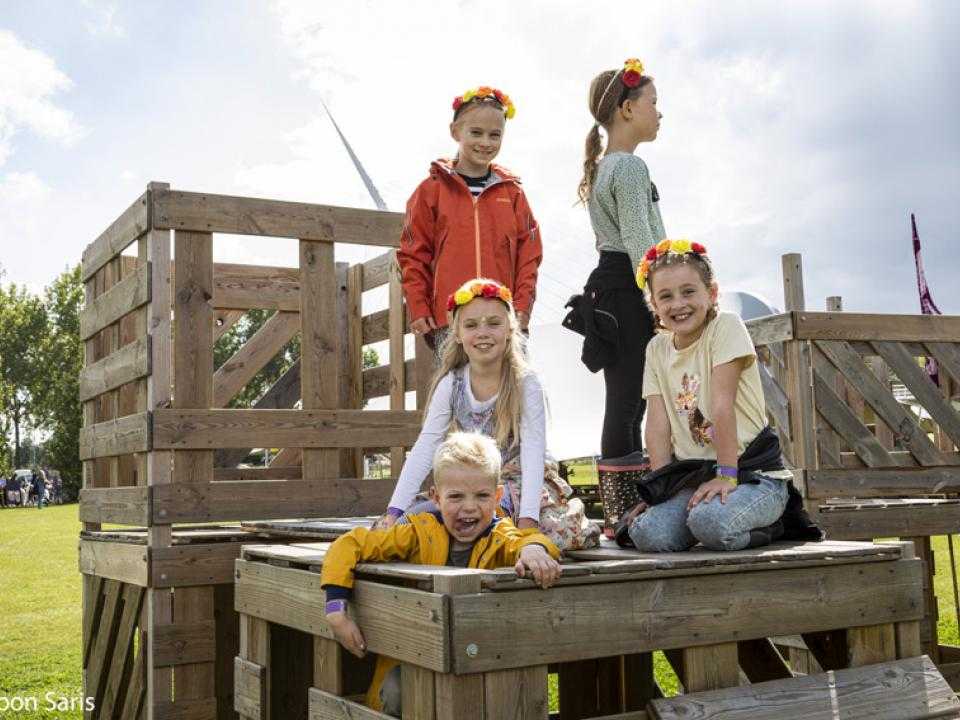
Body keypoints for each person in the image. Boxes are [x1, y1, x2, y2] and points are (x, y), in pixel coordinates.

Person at [322, 431, 561, 716]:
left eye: (482, 496)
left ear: (497, 496)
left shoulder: (500, 533)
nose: (469, 507)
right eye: (456, 496)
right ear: (436, 497)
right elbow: (350, 544)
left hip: (477, 658)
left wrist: (533, 548)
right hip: (413, 657)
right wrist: (336, 609)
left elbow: (527, 539)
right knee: (398, 695)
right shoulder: (418, 531)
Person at [623, 240, 821, 552]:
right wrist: (660, 491)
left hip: (751, 476)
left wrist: (727, 476)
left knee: (710, 522)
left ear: (711, 293)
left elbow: (721, 406)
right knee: (649, 534)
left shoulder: (725, 327)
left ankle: (774, 525)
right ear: (655, 306)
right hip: (695, 479)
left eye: (689, 291)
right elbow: (657, 424)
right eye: (666, 296)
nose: (678, 304)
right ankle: (702, 520)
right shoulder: (657, 349)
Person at [376, 278, 600, 552]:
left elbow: (532, 452)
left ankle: (502, 527)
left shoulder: (524, 382)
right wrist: (394, 510)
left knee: (549, 533)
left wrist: (528, 520)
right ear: (457, 333)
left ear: (510, 328)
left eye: (493, 323)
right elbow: (426, 446)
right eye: (471, 325)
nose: (483, 332)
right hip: (473, 480)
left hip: (520, 481)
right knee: (411, 523)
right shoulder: (451, 384)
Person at [574, 58, 664, 535]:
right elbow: (638, 242)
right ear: (628, 109)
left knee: (625, 399)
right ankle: (623, 514)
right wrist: (661, 299)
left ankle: (621, 512)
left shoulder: (604, 166)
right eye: (653, 103)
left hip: (611, 286)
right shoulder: (628, 167)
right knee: (629, 402)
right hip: (630, 288)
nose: (659, 112)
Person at [397, 85, 542, 355]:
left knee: (508, 394)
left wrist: (522, 307)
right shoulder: (431, 190)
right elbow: (413, 254)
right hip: (450, 323)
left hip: (503, 322)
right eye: (476, 132)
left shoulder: (513, 194)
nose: (485, 142)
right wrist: (418, 306)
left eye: (495, 135)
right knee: (455, 394)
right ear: (455, 132)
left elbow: (529, 256)